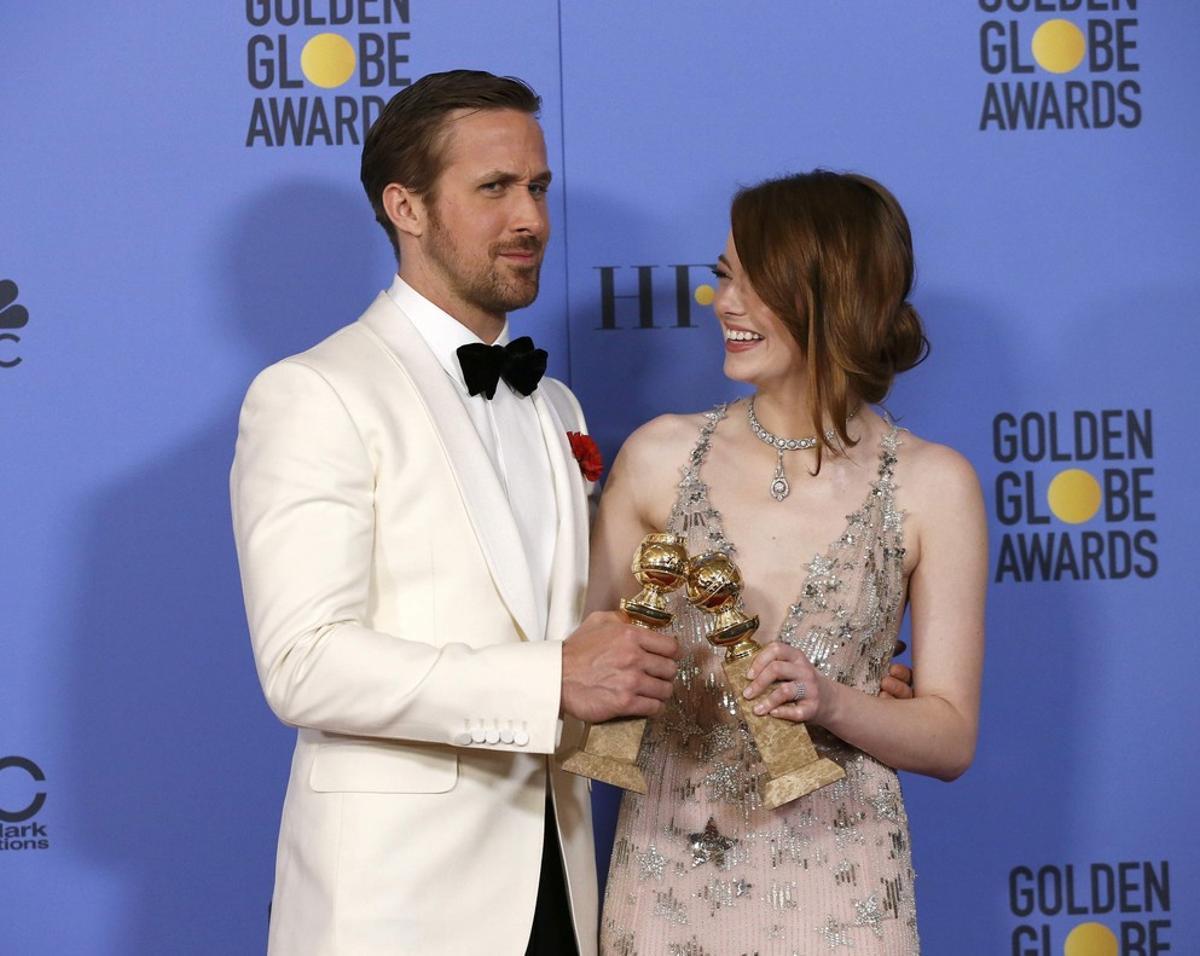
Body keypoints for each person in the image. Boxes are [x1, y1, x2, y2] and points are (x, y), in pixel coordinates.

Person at [229, 70, 681, 956]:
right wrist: (547, 680)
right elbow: (303, 663)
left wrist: (813, 678)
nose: (533, 221)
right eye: (494, 189)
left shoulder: (558, 408)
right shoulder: (315, 392)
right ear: (406, 206)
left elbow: (596, 645)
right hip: (396, 906)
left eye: (539, 188)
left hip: (564, 885)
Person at [591, 171, 987, 954]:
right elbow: (582, 673)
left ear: (829, 291)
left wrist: (834, 702)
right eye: (723, 277)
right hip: (667, 876)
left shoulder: (933, 485)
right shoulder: (658, 458)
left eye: (752, 282)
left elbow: (949, 736)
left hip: (842, 889)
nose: (725, 305)